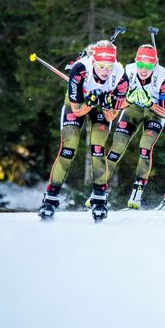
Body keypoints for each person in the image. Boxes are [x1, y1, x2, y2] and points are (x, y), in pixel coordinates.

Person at [38, 40, 129, 221]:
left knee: (98, 149)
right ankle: (50, 198)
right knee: (68, 149)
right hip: (79, 103)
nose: (106, 71)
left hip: (99, 108)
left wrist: (106, 105)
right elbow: (77, 109)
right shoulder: (79, 69)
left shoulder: (120, 75)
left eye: (109, 66)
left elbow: (112, 116)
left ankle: (99, 198)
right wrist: (90, 102)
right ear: (93, 61)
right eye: (102, 66)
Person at [102, 44, 165, 209]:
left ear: (155, 64)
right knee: (117, 146)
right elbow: (118, 104)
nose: (143, 69)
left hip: (154, 113)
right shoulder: (128, 71)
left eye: (148, 65)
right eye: (141, 64)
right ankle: (99, 188)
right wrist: (129, 99)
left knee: (145, 147)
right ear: (136, 62)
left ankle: (137, 192)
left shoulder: (163, 77)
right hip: (133, 108)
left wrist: (150, 103)